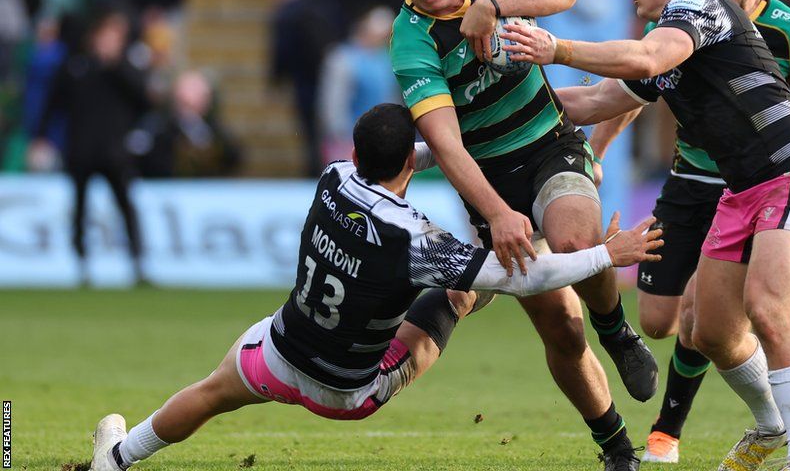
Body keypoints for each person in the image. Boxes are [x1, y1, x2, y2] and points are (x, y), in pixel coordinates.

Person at [87, 103, 663, 471]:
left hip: (280, 356)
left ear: (356, 153)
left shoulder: (332, 178)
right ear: (408, 166)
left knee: (211, 392)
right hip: (351, 391)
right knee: (466, 290)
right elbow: (530, 276)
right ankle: (615, 422)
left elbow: (403, 158)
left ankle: (119, 457)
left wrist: (441, 157)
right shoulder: (414, 240)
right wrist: (603, 255)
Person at [502, 0, 790, 471]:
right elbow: (594, 100)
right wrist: (479, 117)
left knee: (769, 309)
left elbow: (644, 58)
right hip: (740, 190)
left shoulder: (700, 6)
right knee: (709, 331)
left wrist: (556, 48)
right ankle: (773, 424)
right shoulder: (671, 37)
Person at [383, 0, 656, 470]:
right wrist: (498, 214)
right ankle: (617, 449)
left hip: (552, 145)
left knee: (578, 245)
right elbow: (449, 146)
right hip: (491, 182)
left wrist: (492, 5)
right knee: (558, 328)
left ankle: (618, 331)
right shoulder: (411, 40)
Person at [31, 9, 151, 286]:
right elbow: (53, 104)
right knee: (80, 209)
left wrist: (116, 66)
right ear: (96, 36)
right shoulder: (76, 66)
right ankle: (81, 265)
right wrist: (40, 137)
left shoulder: (124, 68)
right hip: (81, 151)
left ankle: (138, 264)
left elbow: (144, 101)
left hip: (115, 152)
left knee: (126, 207)